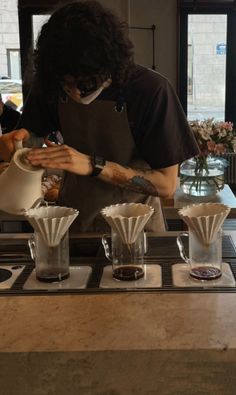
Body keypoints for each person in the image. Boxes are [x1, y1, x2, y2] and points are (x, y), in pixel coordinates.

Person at [0, 0, 199, 232]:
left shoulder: (150, 91)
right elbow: (30, 140)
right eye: (67, 84)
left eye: (83, 81)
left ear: (109, 63)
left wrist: (92, 165)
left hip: (135, 226)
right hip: (73, 221)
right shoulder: (51, 83)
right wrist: (16, 147)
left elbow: (167, 184)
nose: (74, 92)